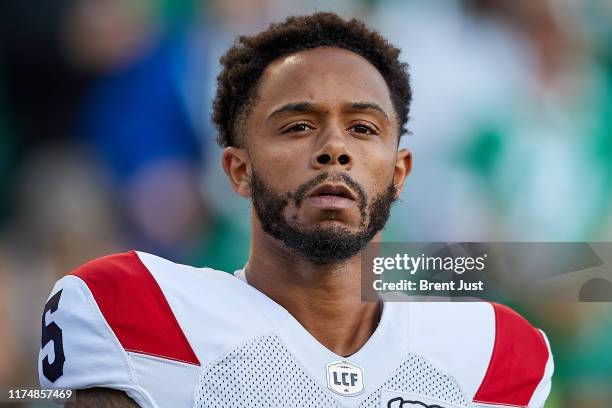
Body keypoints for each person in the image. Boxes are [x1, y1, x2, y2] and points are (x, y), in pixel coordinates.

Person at [38, 12, 553, 408]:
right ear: (239, 171)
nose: (334, 148)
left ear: (399, 174)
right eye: (298, 126)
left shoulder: (494, 354)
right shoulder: (130, 312)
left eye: (363, 128)